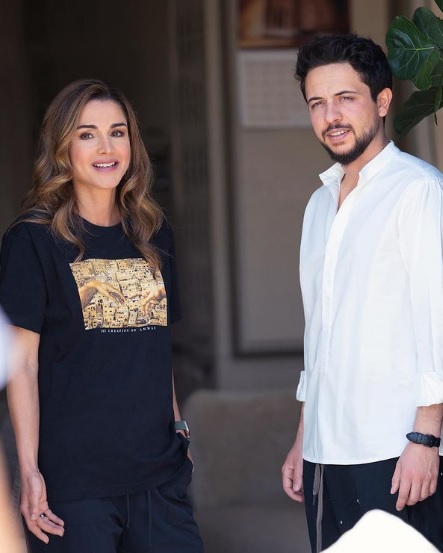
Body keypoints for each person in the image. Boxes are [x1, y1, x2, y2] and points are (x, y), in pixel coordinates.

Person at [0, 79, 203, 553]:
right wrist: (29, 471)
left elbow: (156, 347)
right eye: (87, 134)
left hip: (159, 475)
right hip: (75, 483)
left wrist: (179, 429)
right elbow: (22, 364)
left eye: (118, 132)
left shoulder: (153, 232)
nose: (106, 148)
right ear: (63, 147)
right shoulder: (32, 240)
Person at [281, 34, 443, 552]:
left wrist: (426, 437)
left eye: (345, 98)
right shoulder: (318, 206)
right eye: (317, 103)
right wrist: (304, 435)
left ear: (383, 101)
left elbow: (436, 319)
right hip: (324, 452)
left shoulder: (417, 190)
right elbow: (318, 334)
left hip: (394, 449)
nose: (331, 115)